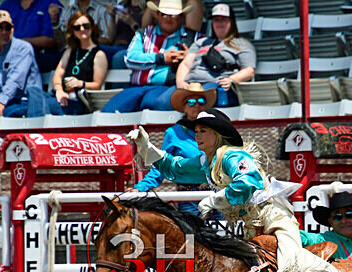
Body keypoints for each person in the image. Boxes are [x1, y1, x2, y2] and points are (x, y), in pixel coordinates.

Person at [128, 109, 352, 272]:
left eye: (203, 131)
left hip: (274, 218)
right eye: (196, 131)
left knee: (290, 264)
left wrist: (216, 198)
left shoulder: (233, 155)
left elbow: (249, 181)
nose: (197, 135)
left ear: (218, 134)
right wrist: (146, 145)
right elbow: (174, 169)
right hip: (251, 227)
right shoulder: (207, 162)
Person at [129, 82, 217, 214]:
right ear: (184, 107)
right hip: (189, 197)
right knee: (192, 233)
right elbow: (161, 164)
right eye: (191, 102)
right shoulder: (173, 133)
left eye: (201, 101)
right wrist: (141, 188)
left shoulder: (217, 130)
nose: (197, 105)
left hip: (217, 193)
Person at [102, 0, 201, 113]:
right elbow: (130, 59)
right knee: (108, 112)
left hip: (167, 89)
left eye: (173, 15)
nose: (168, 19)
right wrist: (162, 58)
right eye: (164, 14)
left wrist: (190, 59)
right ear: (157, 15)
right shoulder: (143, 34)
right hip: (136, 89)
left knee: (158, 103)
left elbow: (207, 62)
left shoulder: (194, 38)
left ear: (181, 17)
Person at [27, 11, 108, 117]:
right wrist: (59, 91)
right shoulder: (70, 51)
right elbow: (58, 74)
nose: (82, 29)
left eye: (86, 26)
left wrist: (80, 83)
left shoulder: (99, 54)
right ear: (73, 31)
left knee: (35, 105)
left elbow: (97, 85)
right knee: (33, 91)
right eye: (77, 27)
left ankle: (35, 129)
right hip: (60, 96)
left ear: (92, 27)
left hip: (77, 101)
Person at [175, 4, 255, 108]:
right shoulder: (201, 42)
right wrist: (180, 82)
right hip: (191, 85)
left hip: (216, 84)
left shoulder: (242, 44)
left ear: (232, 22)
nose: (220, 24)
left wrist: (232, 79)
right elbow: (186, 64)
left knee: (196, 100)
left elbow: (249, 71)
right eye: (216, 20)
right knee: (161, 100)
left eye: (224, 20)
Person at [0, 10, 43, 119]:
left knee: (8, 113)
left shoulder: (23, 48)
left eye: (8, 28)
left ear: (13, 28)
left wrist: (0, 103)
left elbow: (15, 81)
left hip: (24, 101)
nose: (4, 32)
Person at [0, 0, 64, 72]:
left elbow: (50, 40)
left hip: (38, 56)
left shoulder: (51, 4)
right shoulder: (7, 5)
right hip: (8, 56)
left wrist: (18, 43)